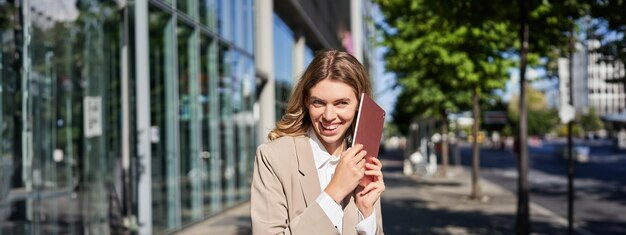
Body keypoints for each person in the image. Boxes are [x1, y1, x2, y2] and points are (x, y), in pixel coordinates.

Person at [251, 50, 385, 235]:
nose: (329, 116)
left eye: (341, 103)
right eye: (318, 103)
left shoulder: (362, 160)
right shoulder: (273, 157)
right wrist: (334, 192)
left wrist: (366, 213)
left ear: (359, 105)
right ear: (306, 101)